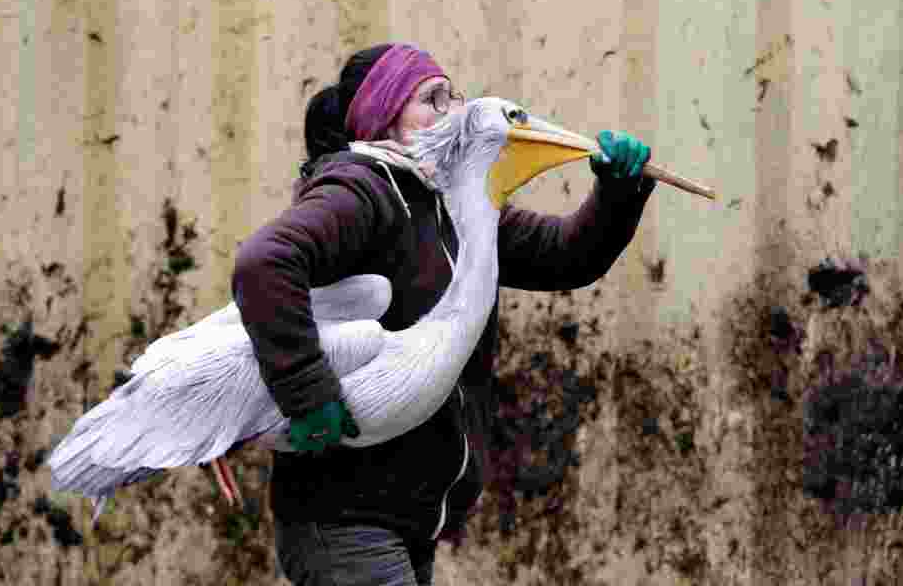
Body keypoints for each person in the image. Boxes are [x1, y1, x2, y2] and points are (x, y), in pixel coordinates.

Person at [231, 43, 657, 585]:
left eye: (454, 95)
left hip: (409, 517)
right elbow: (265, 263)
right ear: (384, 117)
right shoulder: (363, 192)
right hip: (344, 518)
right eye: (432, 99)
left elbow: (565, 256)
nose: (454, 110)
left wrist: (617, 193)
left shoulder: (455, 205)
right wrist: (307, 394)